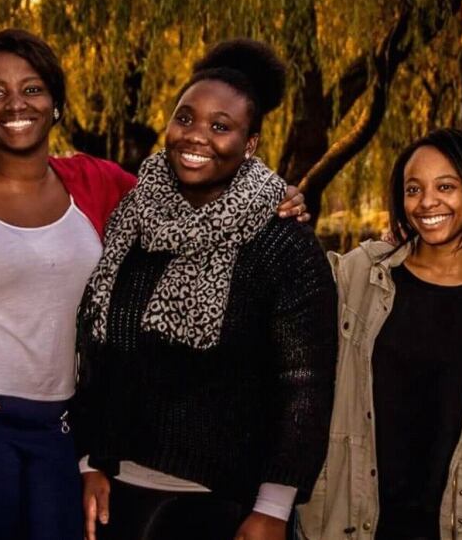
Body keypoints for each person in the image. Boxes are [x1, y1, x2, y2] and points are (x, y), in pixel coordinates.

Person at [0, 29, 312, 540]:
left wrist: (275, 191)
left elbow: (197, 185)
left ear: (57, 102)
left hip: (66, 432)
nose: (15, 103)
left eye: (33, 89)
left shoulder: (102, 186)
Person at [75, 38, 338, 540]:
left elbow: (305, 384)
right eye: (186, 118)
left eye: (221, 127)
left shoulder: (282, 242)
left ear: (250, 143)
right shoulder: (132, 221)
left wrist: (274, 507)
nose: (197, 136)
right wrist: (91, 460)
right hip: (119, 494)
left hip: (222, 503)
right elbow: (96, 350)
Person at [298, 129, 462, 540]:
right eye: (413, 189)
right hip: (352, 516)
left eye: (446, 187)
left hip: (457, 521)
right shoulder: (359, 275)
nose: (427, 202)